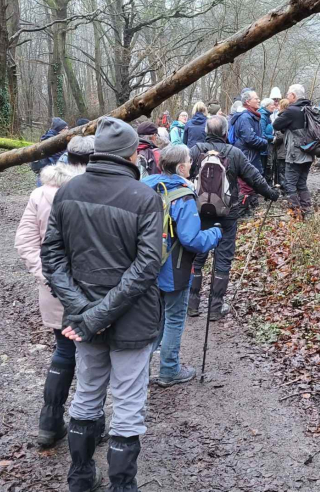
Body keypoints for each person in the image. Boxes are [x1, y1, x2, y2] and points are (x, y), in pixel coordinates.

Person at [41, 117, 162, 492]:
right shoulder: (144, 197)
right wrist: (93, 314)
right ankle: (121, 486)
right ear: (131, 153)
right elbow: (147, 267)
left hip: (85, 319)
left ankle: (80, 478)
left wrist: (84, 312)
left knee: (89, 392)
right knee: (127, 404)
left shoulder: (68, 191)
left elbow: (52, 258)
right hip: (128, 319)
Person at [15, 136, 90, 449]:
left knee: (63, 351)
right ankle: (87, 427)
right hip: (89, 293)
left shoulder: (40, 194)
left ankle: (50, 423)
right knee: (91, 357)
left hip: (54, 291)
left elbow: (25, 243)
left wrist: (47, 276)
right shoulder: (93, 193)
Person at [142, 146, 221, 387]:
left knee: (151, 320)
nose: (192, 165)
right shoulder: (183, 195)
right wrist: (215, 234)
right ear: (181, 167)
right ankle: (169, 370)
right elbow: (191, 239)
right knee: (174, 317)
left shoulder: (144, 186)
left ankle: (138, 370)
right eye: (189, 161)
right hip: (173, 268)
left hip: (143, 267)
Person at [187, 115, 279, 321]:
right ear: (225, 132)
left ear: (205, 131)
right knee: (223, 259)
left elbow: (181, 175)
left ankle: (191, 304)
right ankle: (215, 308)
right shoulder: (234, 153)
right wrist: (270, 193)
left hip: (198, 212)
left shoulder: (194, 151)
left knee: (196, 256)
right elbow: (254, 177)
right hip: (227, 214)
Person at [272, 84, 315, 215]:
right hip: (309, 151)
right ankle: (307, 210)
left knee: (290, 183)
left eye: (288, 94)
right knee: (302, 183)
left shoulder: (292, 111)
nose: (286, 97)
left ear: (294, 96)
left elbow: (276, 124)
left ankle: (295, 212)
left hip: (295, 153)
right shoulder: (310, 108)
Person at [228, 89, 269, 217]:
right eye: (256, 98)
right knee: (246, 186)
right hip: (246, 155)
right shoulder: (245, 117)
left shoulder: (252, 115)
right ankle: (239, 213)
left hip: (251, 154)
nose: (258, 100)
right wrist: (265, 142)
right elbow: (249, 138)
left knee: (251, 183)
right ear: (247, 101)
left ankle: (248, 210)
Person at [31, 117, 69, 186]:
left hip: (48, 172)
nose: (68, 130)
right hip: (47, 173)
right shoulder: (51, 141)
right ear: (60, 130)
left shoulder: (56, 138)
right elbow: (59, 158)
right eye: (65, 128)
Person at [270, 98, 290, 188]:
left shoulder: (282, 118)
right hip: (288, 150)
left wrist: (274, 140)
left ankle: (284, 189)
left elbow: (280, 135)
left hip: (282, 150)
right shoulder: (291, 116)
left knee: (282, 171)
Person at [259, 97, 277, 184]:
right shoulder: (262, 117)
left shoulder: (267, 116)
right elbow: (261, 134)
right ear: (266, 106)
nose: (274, 106)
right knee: (262, 169)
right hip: (262, 149)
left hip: (267, 147)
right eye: (272, 105)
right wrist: (272, 138)